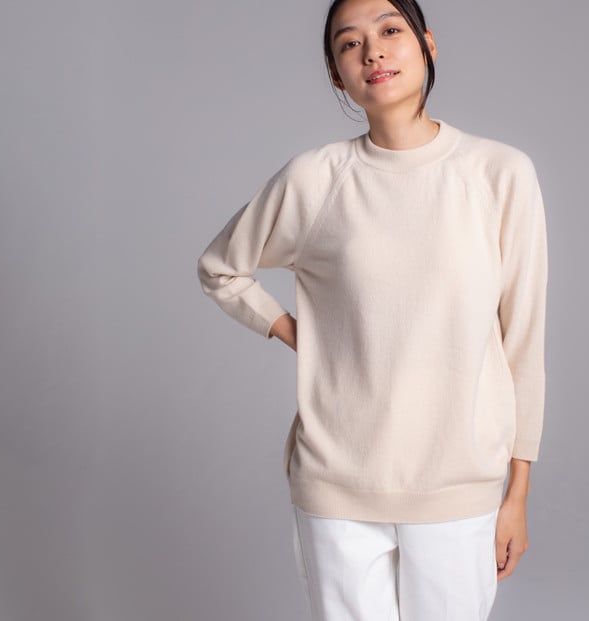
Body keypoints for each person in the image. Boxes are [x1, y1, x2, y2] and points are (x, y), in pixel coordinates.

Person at [196, 0, 548, 618]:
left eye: (390, 30)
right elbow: (221, 267)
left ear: (428, 44)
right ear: (337, 75)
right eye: (349, 43)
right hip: (336, 486)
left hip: (458, 487)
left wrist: (517, 493)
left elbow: (522, 340)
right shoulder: (315, 179)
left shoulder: (499, 174)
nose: (373, 51)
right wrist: (297, 334)